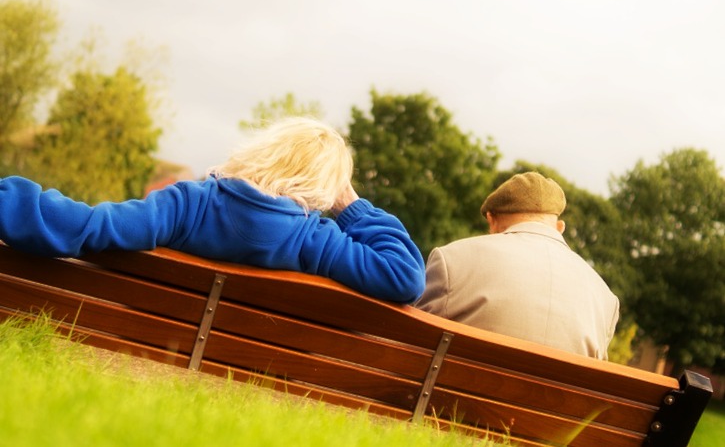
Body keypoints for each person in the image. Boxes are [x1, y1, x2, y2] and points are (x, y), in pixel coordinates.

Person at [0, 117, 424, 304]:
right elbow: (405, 276)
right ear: (323, 187)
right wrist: (350, 205)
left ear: (266, 151)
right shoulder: (316, 241)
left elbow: (92, 226)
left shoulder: (191, 204)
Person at [415, 171, 619, 359]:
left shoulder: (451, 259)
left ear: (491, 220)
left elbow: (413, 343)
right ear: (560, 227)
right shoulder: (605, 300)